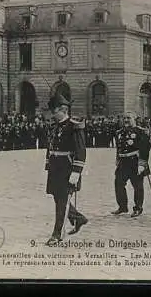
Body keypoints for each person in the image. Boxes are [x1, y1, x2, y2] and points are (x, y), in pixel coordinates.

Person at [45, 94, 88, 246]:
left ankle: (57, 235)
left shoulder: (74, 126)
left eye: (54, 111)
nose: (52, 114)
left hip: (68, 169)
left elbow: (81, 150)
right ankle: (78, 218)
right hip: (55, 168)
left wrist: (76, 171)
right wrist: (48, 163)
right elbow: (50, 146)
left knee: (62, 202)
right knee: (58, 199)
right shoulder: (55, 126)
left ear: (63, 110)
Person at [111, 111, 151, 217]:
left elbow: (145, 149)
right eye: (124, 118)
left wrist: (142, 164)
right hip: (123, 162)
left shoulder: (140, 132)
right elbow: (119, 148)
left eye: (128, 118)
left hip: (135, 162)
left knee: (137, 186)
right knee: (118, 184)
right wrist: (117, 158)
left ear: (134, 119)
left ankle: (138, 208)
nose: (126, 120)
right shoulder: (119, 132)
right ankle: (122, 207)